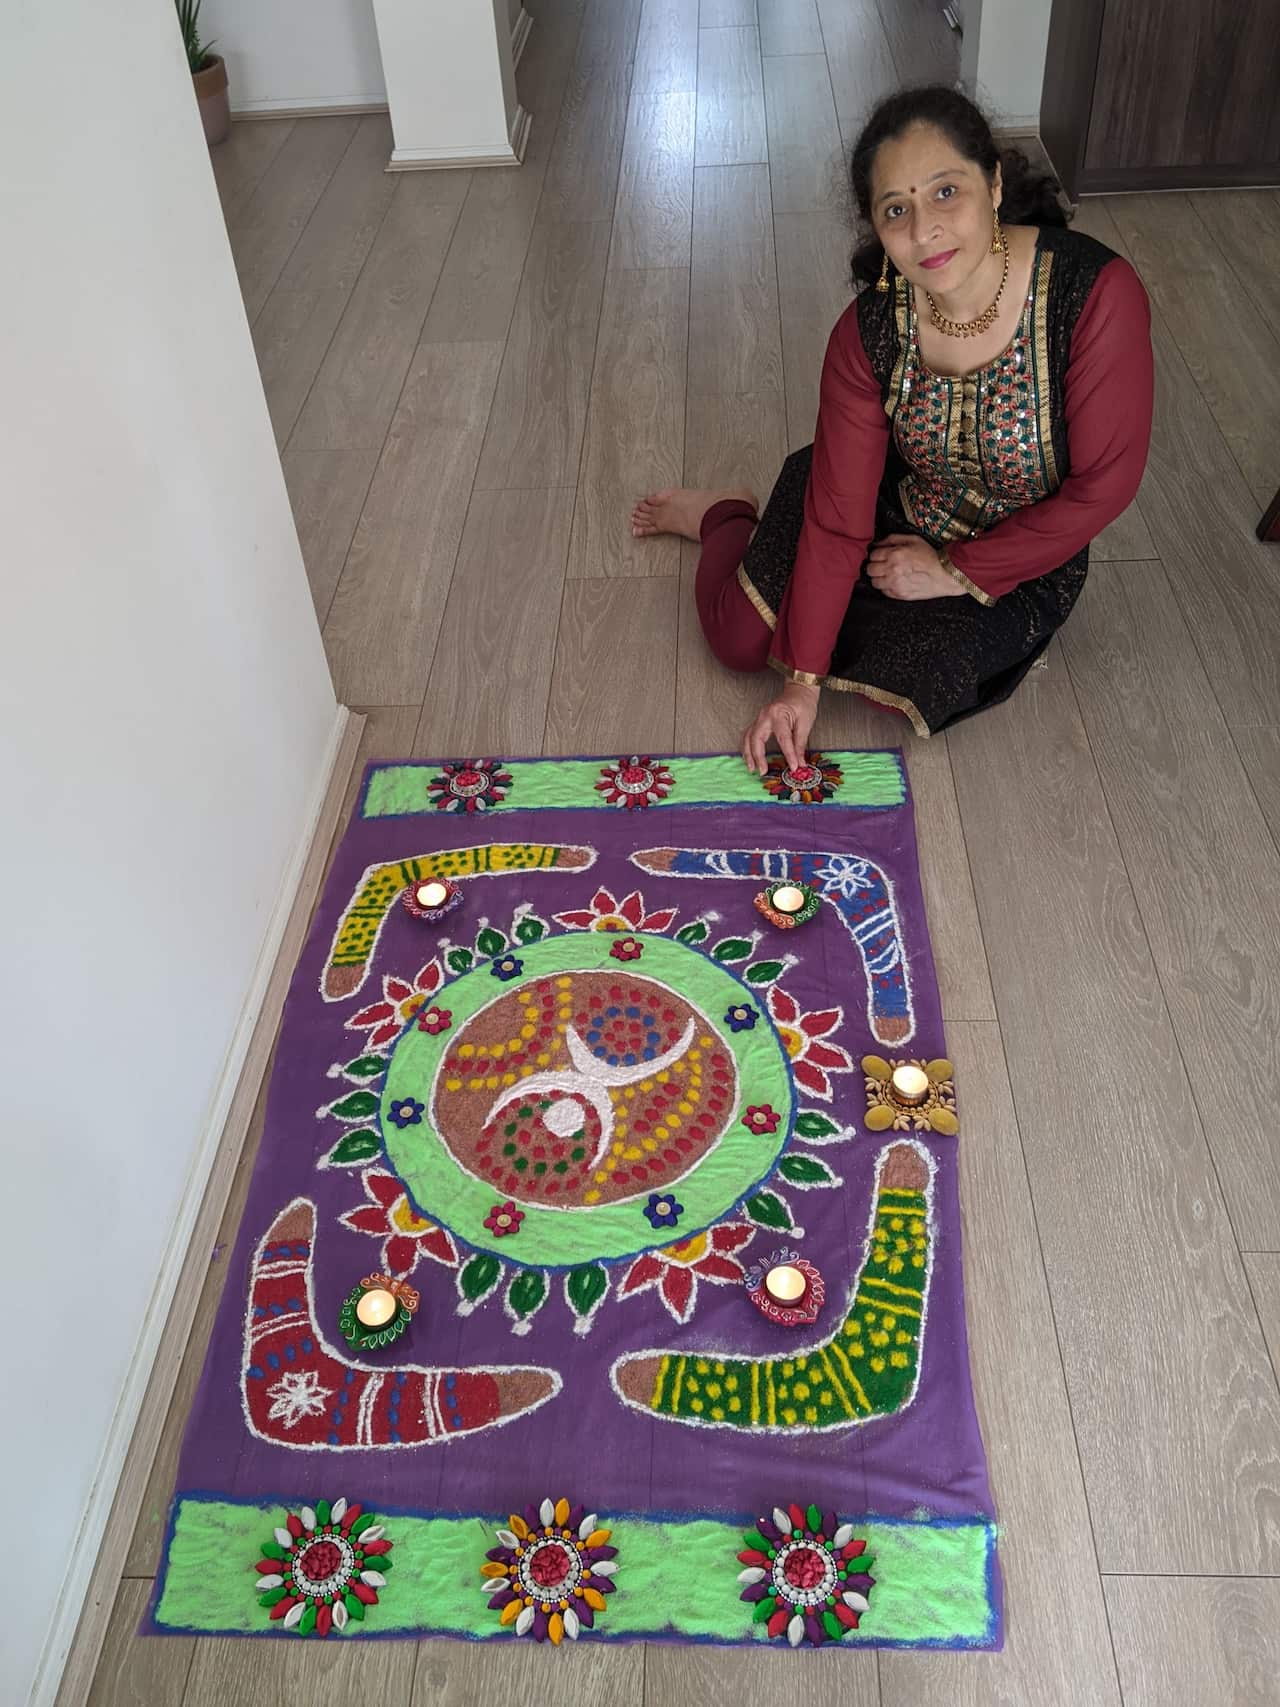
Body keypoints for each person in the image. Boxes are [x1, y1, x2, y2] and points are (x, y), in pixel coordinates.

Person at [631, 85, 1154, 772]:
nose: (924, 230)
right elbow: (843, 515)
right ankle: (726, 515)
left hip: (1021, 554)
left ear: (993, 183)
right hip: (888, 504)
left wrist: (953, 569)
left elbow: (1103, 489)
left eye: (946, 192)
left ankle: (858, 606)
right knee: (739, 641)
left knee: (921, 674)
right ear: (876, 226)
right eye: (896, 210)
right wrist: (799, 688)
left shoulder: (1091, 296)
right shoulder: (871, 330)